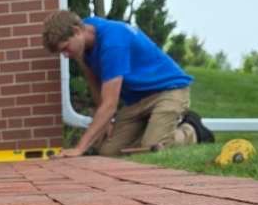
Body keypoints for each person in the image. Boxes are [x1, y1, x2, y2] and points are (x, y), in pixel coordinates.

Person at [42, 9, 213, 158]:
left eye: (65, 48)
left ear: (76, 30)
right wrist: (105, 122)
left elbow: (110, 105)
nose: (65, 55)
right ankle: (155, 130)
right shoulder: (85, 36)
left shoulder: (113, 43)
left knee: (151, 149)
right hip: (137, 101)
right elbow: (94, 81)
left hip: (168, 91)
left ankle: (192, 131)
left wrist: (80, 148)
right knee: (109, 152)